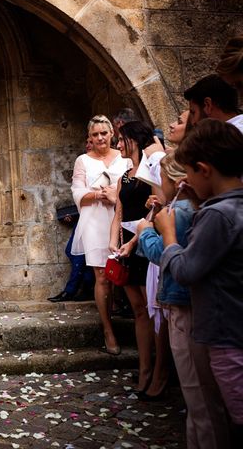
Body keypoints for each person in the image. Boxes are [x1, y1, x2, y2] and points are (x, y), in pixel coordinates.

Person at [156, 119, 243, 445]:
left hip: (224, 333)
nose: (185, 181)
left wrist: (168, 236)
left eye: (189, 173)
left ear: (204, 169)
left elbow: (187, 269)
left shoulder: (217, 215)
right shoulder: (227, 206)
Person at [137, 153, 230, 448]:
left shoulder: (180, 211)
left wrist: (145, 233)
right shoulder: (198, 208)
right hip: (201, 305)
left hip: (182, 303)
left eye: (160, 181)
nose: (157, 187)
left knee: (198, 396)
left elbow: (164, 255)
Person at [110, 120, 170, 396]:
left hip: (146, 245)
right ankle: (144, 369)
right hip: (127, 247)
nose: (118, 144)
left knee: (154, 310)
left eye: (121, 139)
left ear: (133, 139)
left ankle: (160, 372)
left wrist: (135, 241)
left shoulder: (151, 167)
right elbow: (119, 212)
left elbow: (159, 206)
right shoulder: (125, 174)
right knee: (138, 311)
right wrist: (114, 242)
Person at [70, 115, 128, 354]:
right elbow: (77, 193)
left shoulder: (124, 158)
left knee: (124, 270)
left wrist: (117, 194)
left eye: (104, 133)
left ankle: (126, 310)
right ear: (89, 138)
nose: (100, 138)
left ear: (112, 134)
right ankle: (108, 330)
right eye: (95, 134)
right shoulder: (83, 160)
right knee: (102, 274)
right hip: (94, 219)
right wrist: (98, 195)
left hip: (121, 216)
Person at [49, 138, 95, 303]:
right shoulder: (83, 162)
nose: (88, 144)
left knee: (82, 254)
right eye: (87, 141)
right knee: (74, 251)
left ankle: (72, 290)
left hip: (96, 215)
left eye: (91, 141)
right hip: (82, 215)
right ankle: (86, 287)